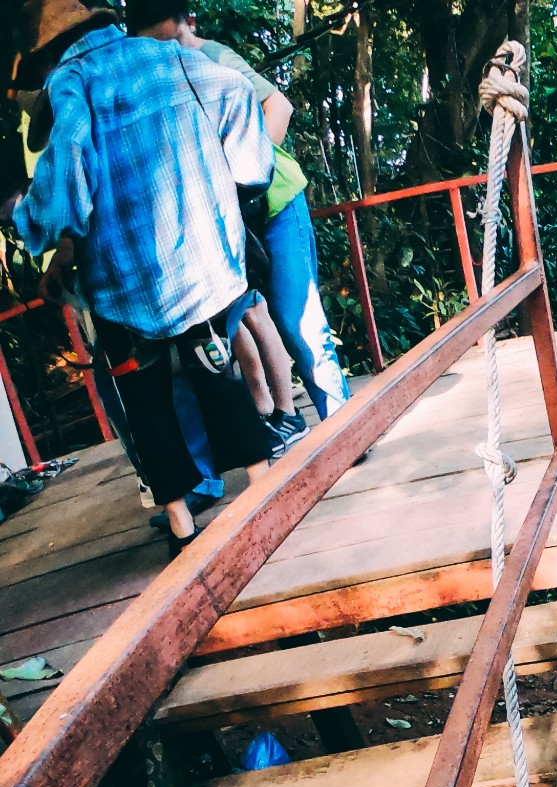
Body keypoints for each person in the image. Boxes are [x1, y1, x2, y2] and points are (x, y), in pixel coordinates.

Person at [12, 0, 276, 551]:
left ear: (47, 57)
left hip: (121, 285)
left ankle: (182, 526)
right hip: (197, 270)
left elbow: (65, 191)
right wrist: (238, 177)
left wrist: (25, 217)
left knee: (146, 402)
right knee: (218, 378)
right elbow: (237, 95)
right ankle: (262, 492)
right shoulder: (168, 58)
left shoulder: (72, 83)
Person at [172, 15, 348, 423]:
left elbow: (279, 107)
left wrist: (244, 174)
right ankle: (285, 420)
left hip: (277, 202)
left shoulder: (212, 56)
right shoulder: (160, 77)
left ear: (188, 21)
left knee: (297, 319)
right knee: (245, 320)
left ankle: (342, 425)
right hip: (229, 220)